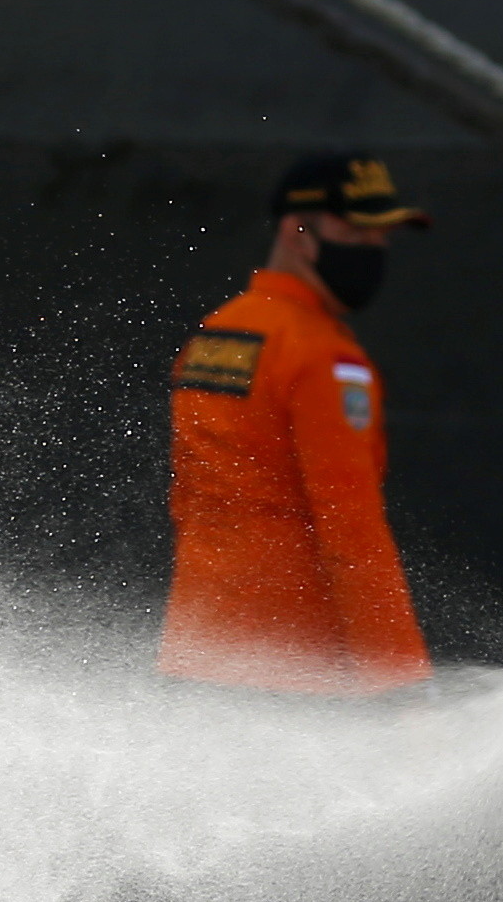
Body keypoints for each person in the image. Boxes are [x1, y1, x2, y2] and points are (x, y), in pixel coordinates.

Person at [158, 153, 434, 690]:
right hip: (293, 672)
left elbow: (186, 499)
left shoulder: (215, 337)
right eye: (358, 232)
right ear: (298, 230)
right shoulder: (323, 358)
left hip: (194, 651)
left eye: (383, 237)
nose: (375, 250)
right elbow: (351, 528)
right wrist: (400, 682)